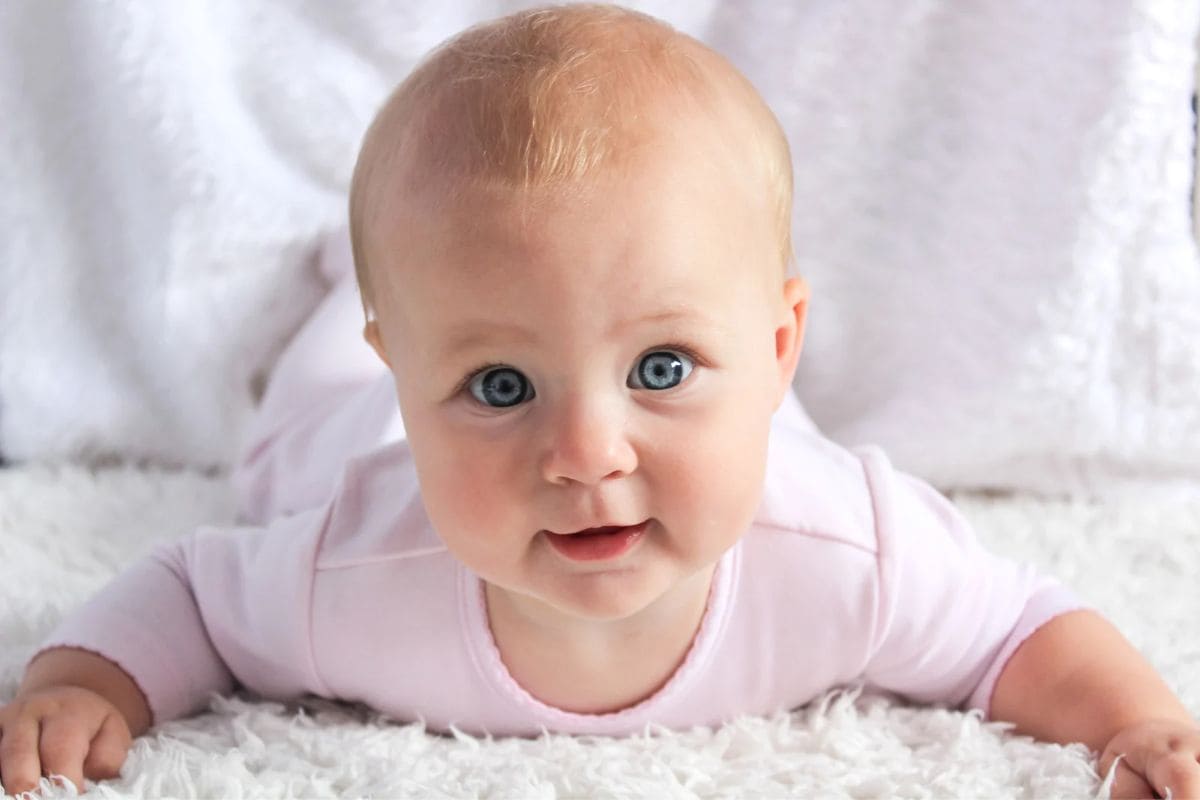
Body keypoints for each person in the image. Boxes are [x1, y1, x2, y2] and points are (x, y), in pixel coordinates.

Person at [2, 4, 1197, 798]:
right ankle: (351, 301)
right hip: (347, 430)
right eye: (500, 386)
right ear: (414, 384)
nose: (584, 453)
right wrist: (84, 681)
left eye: (661, 367)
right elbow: (191, 596)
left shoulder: (850, 549)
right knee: (300, 433)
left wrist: (1137, 719)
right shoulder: (344, 572)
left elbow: (1013, 626)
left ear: (784, 345)